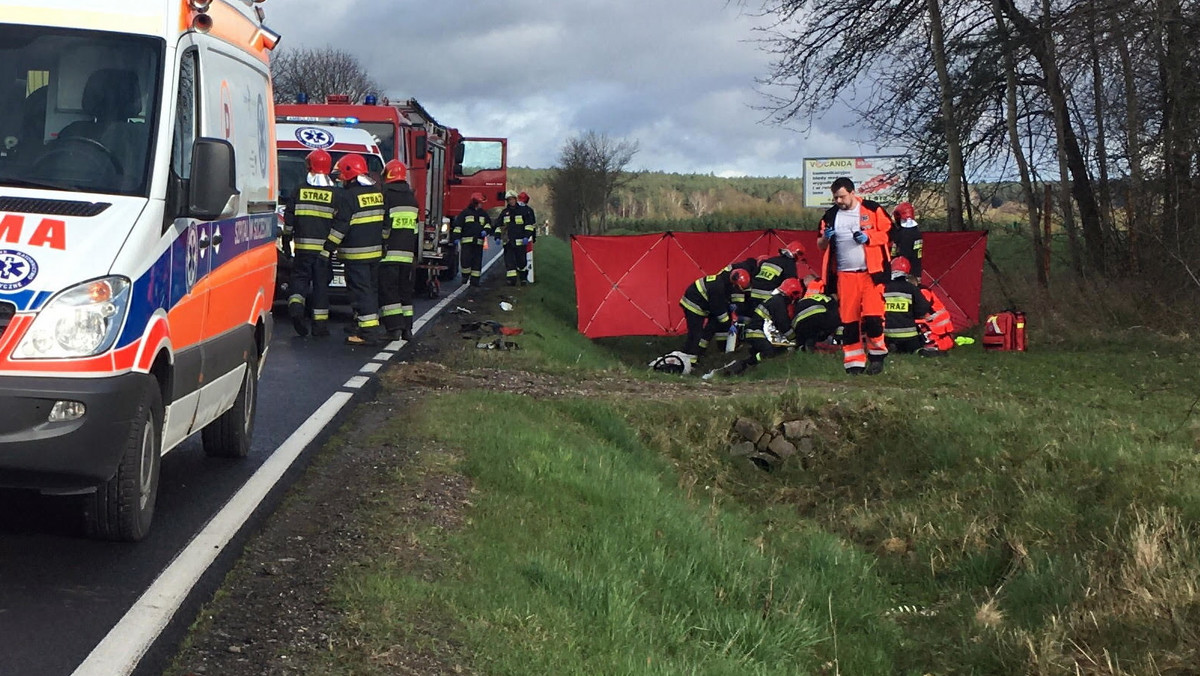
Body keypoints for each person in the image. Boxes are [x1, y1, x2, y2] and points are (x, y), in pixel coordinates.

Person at [817, 176, 892, 375]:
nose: (839, 201)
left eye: (841, 197)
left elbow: (890, 233)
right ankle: (854, 363)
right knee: (849, 322)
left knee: (874, 318)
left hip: (871, 273)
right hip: (845, 275)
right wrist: (826, 237)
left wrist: (869, 238)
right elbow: (820, 245)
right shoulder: (830, 215)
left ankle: (877, 357)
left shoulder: (872, 209)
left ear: (852, 192)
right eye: (835, 198)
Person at [326, 153, 385, 346]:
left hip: (356, 254)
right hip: (375, 254)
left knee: (361, 293)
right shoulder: (377, 193)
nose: (341, 180)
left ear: (349, 174)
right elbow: (385, 225)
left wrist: (328, 247)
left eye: (342, 175)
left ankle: (368, 334)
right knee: (370, 291)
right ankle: (364, 326)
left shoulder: (349, 197)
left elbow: (341, 226)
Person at [282, 149, 337, 337]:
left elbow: (289, 219)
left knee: (299, 280)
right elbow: (340, 220)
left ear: (309, 166)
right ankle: (319, 327)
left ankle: (296, 309)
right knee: (321, 285)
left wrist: (286, 240)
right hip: (323, 251)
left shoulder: (299, 189)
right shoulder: (334, 192)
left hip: (303, 247)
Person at [663, 268, 751, 373]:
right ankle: (691, 361)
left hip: (705, 302)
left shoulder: (727, 279)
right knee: (696, 334)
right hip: (694, 304)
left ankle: (700, 351)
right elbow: (718, 311)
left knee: (710, 329)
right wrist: (729, 324)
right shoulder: (718, 287)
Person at [726, 277, 805, 374]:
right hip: (756, 332)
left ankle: (740, 368)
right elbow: (783, 324)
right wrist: (793, 339)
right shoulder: (779, 302)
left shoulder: (776, 300)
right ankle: (740, 366)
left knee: (774, 351)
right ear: (793, 293)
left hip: (755, 331)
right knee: (770, 352)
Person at [379, 159, 419, 341]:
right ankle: (407, 329)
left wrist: (381, 242)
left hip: (389, 253)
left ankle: (394, 328)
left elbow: (384, 225)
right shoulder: (411, 198)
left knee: (390, 290)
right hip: (408, 253)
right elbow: (415, 229)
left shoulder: (386, 194)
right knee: (405, 291)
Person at [882, 256, 935, 354]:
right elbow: (922, 308)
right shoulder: (912, 288)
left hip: (887, 335)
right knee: (918, 347)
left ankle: (893, 347)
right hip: (909, 336)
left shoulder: (884, 288)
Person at [747, 241, 806, 310]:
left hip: (753, 295)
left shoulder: (769, 260)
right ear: (797, 254)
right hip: (768, 297)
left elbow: (755, 275)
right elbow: (791, 283)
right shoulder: (789, 264)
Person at [495, 190, 536, 285]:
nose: (510, 201)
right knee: (510, 263)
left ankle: (523, 278)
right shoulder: (504, 213)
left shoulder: (523, 212)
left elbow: (529, 225)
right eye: (508, 200)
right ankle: (511, 281)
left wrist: (526, 236)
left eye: (512, 199)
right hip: (508, 242)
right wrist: (497, 236)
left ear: (515, 199)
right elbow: (499, 226)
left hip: (520, 242)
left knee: (521, 263)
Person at [451, 192, 491, 286]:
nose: (482, 204)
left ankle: (475, 281)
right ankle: (465, 276)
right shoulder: (465, 213)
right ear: (475, 202)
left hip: (478, 242)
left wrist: (486, 230)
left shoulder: (483, 214)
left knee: (477, 262)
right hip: (467, 242)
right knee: (465, 261)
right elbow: (458, 226)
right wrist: (456, 238)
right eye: (480, 202)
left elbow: (488, 224)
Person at [790, 278, 841, 352]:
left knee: (808, 335)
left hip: (800, 325)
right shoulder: (828, 299)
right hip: (818, 321)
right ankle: (817, 344)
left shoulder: (802, 300)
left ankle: (803, 345)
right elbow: (835, 316)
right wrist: (839, 337)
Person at [915, 285, 955, 355]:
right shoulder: (921, 291)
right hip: (937, 326)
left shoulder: (923, 291)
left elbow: (922, 310)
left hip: (936, 325)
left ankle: (933, 347)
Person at [890, 201, 923, 278]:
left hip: (903, 271)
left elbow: (903, 253)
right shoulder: (916, 231)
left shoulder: (903, 233)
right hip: (916, 270)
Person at [518, 190, 537, 282]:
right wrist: (533, 236)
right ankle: (525, 277)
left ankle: (523, 277)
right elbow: (533, 225)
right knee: (523, 257)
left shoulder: (515, 209)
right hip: (525, 236)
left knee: (519, 257)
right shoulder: (529, 210)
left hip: (521, 237)